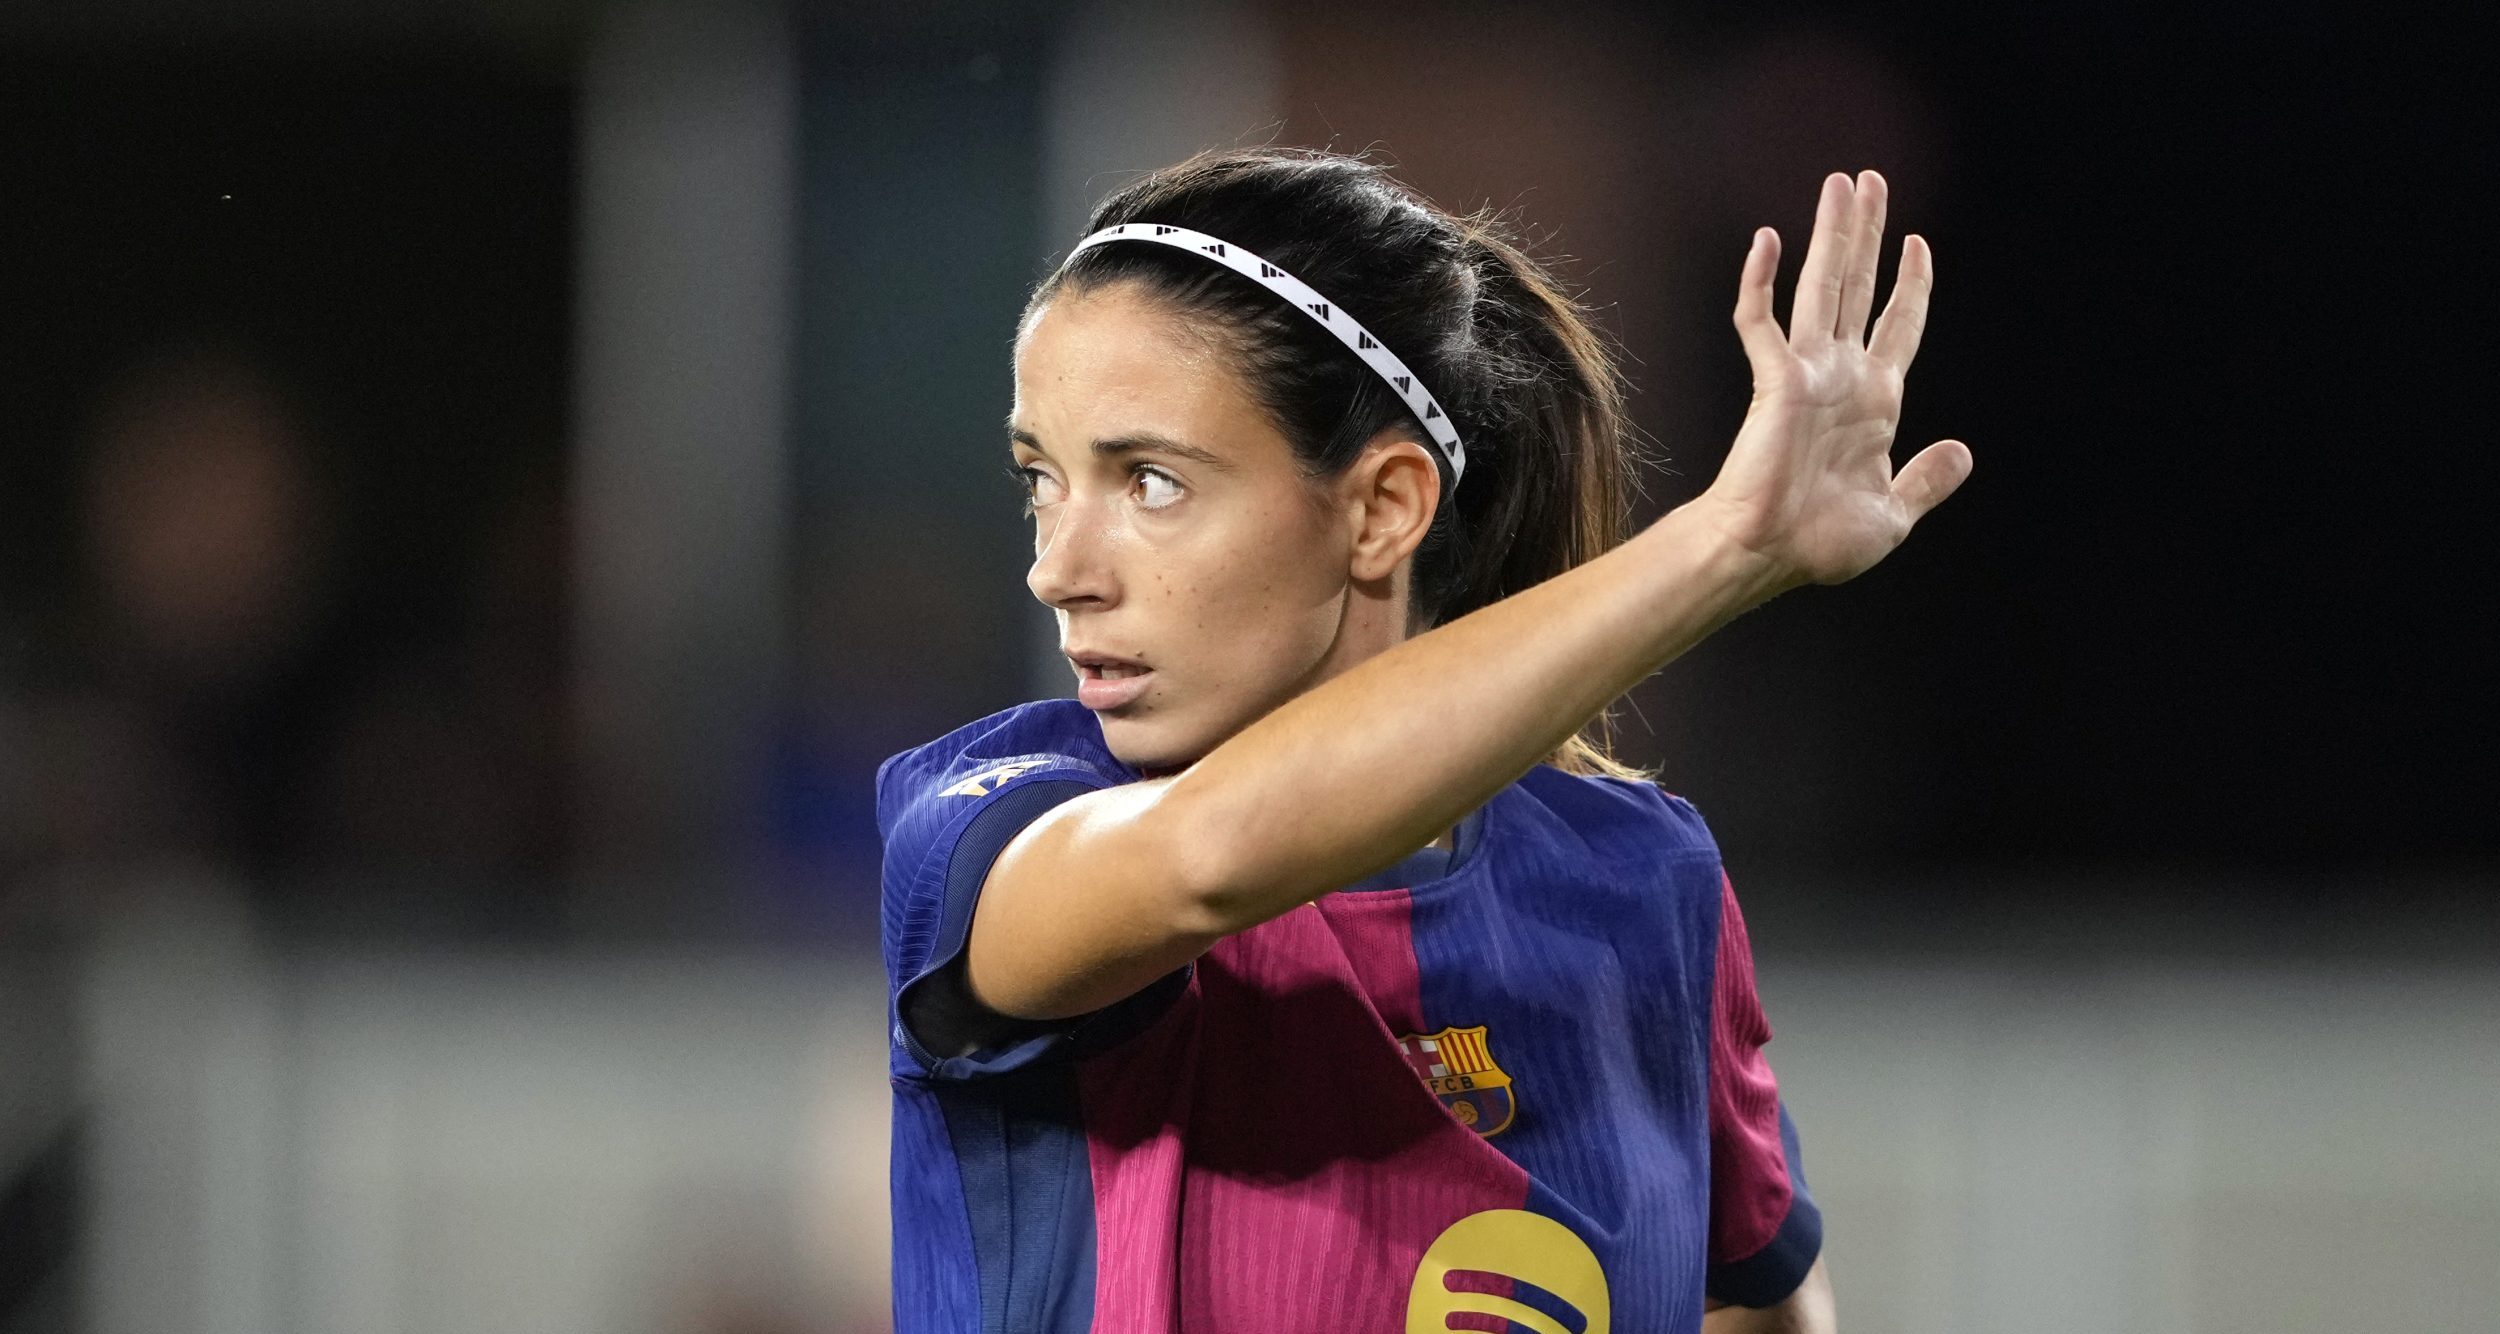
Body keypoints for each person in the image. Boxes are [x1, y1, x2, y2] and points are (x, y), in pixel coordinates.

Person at [874, 147, 1968, 1333]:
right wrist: (1724, 547)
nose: (1057, 570)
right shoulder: (989, 828)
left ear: (1382, 506)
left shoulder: (1640, 879)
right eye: (1041, 478)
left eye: (1149, 482)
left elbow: (1761, 1302)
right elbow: (1204, 860)